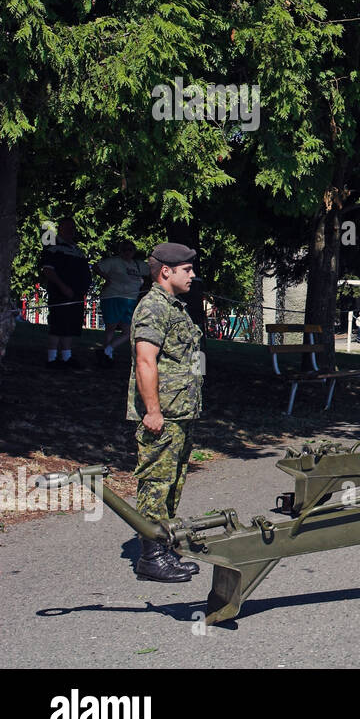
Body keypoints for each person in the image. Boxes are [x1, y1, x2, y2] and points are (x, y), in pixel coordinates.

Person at [127, 242, 204, 582]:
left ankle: (165, 546)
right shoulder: (153, 308)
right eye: (187, 270)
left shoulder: (175, 307)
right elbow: (145, 359)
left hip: (180, 412)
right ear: (166, 272)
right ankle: (151, 557)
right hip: (164, 416)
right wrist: (152, 411)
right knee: (156, 485)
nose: (193, 275)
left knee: (172, 484)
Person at [39, 218, 92, 370]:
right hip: (60, 294)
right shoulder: (53, 247)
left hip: (76, 295)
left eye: (73, 227)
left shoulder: (77, 249)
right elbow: (48, 270)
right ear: (60, 228)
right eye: (67, 227)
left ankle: (67, 358)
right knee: (58, 325)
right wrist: (63, 287)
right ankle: (52, 359)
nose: (71, 230)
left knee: (70, 326)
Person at [95, 239, 147, 366]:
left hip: (131, 300)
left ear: (134, 251)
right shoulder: (114, 261)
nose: (127, 252)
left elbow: (153, 272)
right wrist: (106, 278)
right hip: (113, 297)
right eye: (124, 249)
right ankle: (107, 357)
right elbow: (96, 267)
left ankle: (106, 350)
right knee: (111, 328)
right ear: (120, 251)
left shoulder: (138, 264)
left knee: (128, 332)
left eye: (130, 249)